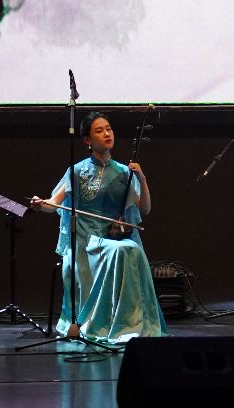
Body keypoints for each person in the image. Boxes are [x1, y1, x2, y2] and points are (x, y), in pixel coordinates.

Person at [29, 111, 168, 346]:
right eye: (99, 130)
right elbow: (53, 204)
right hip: (85, 241)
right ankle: (104, 323)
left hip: (113, 238)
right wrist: (40, 204)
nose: (106, 134)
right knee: (124, 251)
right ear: (87, 140)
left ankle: (128, 323)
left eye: (109, 129)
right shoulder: (77, 170)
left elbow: (145, 209)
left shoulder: (124, 172)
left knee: (130, 249)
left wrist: (142, 179)